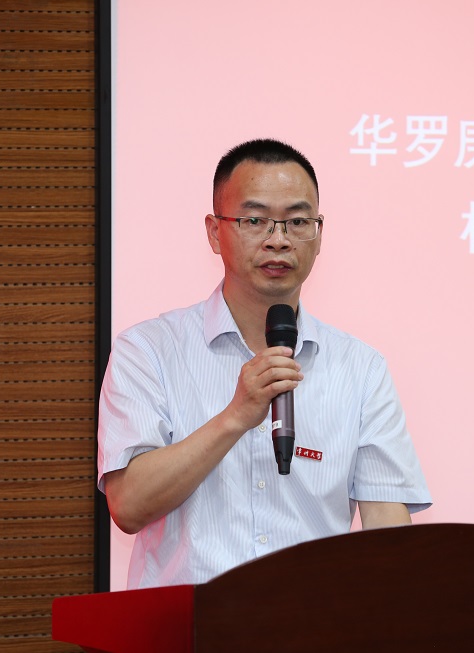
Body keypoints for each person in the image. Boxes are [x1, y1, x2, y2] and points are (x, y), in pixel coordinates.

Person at [97, 138, 431, 589]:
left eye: (298, 221)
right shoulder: (149, 350)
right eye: (255, 221)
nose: (279, 240)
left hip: (311, 620)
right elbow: (128, 506)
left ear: (319, 233)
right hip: (186, 622)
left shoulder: (360, 368)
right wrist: (236, 416)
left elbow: (386, 524)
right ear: (214, 232)